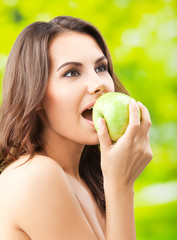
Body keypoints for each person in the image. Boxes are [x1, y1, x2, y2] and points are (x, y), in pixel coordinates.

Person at [0, 16, 153, 240]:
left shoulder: (85, 178)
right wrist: (121, 186)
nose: (99, 83)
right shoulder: (35, 176)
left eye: (101, 67)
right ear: (37, 96)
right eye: (71, 72)